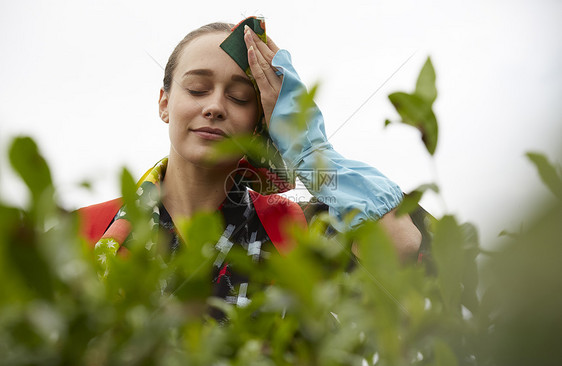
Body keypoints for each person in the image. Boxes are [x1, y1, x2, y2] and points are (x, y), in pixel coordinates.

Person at [78, 18, 422, 307]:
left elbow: (401, 243)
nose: (214, 106)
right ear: (164, 103)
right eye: (197, 89)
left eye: (239, 96)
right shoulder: (84, 230)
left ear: (260, 122)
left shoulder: (293, 227)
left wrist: (309, 150)